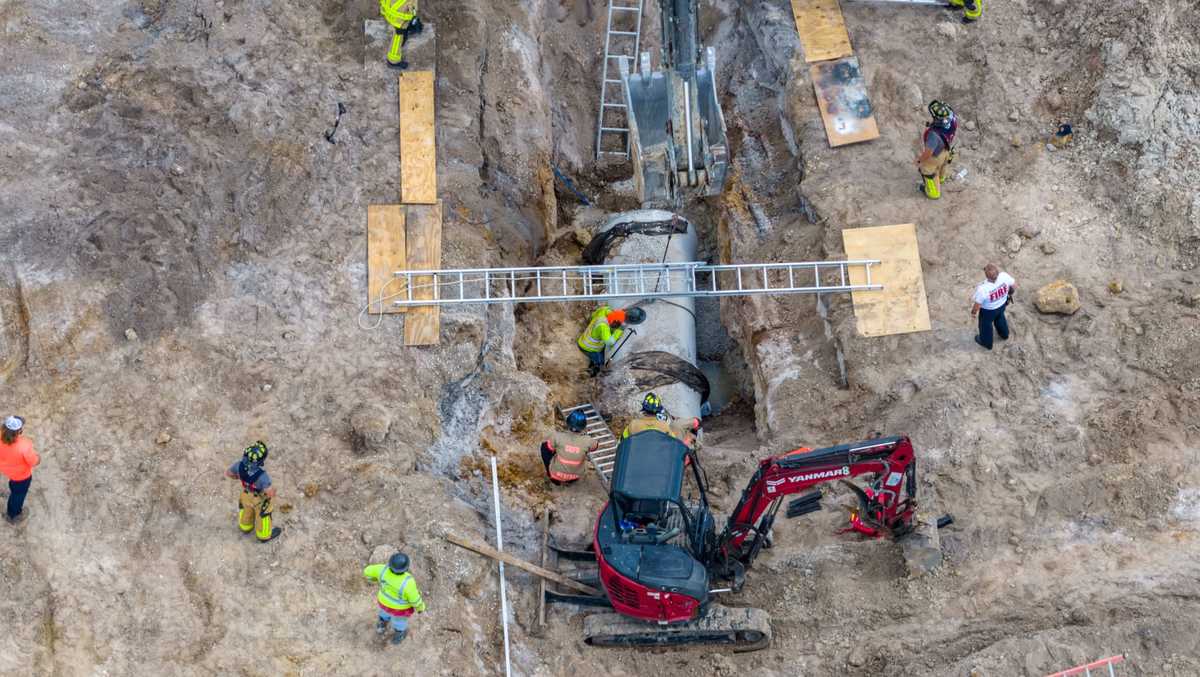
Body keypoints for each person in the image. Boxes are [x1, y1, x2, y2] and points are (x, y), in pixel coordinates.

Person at [224, 441, 282, 542]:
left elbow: (229, 473)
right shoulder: (262, 476)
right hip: (258, 499)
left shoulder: (239, 465)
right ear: (261, 461)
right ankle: (263, 535)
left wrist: (239, 477)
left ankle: (245, 527)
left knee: (246, 509)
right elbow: (269, 493)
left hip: (245, 494)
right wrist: (273, 491)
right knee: (263, 515)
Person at [364, 552, 427, 645]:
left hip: (383, 602)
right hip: (399, 610)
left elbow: (367, 571)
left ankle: (381, 625)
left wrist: (372, 579)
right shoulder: (408, 582)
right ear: (406, 568)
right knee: (399, 622)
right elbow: (415, 600)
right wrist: (421, 608)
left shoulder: (382, 570)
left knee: (384, 613)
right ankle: (399, 633)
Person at [622, 393, 701, 449]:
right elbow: (674, 444)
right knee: (677, 426)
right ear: (658, 410)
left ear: (643, 408)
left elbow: (621, 442)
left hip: (640, 455)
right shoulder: (663, 426)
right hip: (661, 456)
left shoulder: (633, 424)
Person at [540, 410, 597, 486]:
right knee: (583, 452)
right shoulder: (588, 440)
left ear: (568, 423)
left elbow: (547, 449)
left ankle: (551, 475)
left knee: (545, 447)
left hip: (557, 474)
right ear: (584, 426)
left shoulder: (558, 437)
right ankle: (571, 479)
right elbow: (595, 447)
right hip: (576, 475)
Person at [916, 100, 959, 200]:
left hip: (936, 155)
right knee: (943, 164)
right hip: (947, 149)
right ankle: (941, 178)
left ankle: (933, 192)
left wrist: (919, 161)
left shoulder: (933, 136)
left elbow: (928, 153)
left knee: (927, 169)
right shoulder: (952, 117)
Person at [0, 416, 39, 524]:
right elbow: (34, 462)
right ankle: (12, 515)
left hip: (6, 470)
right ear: (19, 430)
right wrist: (38, 458)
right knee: (18, 494)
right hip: (21, 476)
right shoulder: (24, 445)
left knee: (13, 484)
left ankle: (12, 492)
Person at [970, 264, 1016, 350]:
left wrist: (973, 312)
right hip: (1002, 305)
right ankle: (1004, 334)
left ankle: (986, 343)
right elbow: (1014, 286)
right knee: (1000, 318)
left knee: (985, 326)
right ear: (998, 272)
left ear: (987, 276)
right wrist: (1009, 294)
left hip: (988, 311)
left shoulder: (983, 288)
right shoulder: (1004, 276)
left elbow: (977, 304)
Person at [577, 305, 626, 377]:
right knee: (600, 365)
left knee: (600, 356)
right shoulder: (603, 327)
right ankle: (590, 373)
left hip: (584, 340)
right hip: (589, 348)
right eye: (617, 324)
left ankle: (592, 363)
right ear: (614, 321)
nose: (617, 326)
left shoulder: (603, 312)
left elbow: (597, 313)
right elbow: (609, 342)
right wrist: (619, 331)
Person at [380, 0, 422, 69]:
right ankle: (393, 60)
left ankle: (408, 26)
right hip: (398, 20)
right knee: (398, 37)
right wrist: (413, 18)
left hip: (392, 10)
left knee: (404, 22)